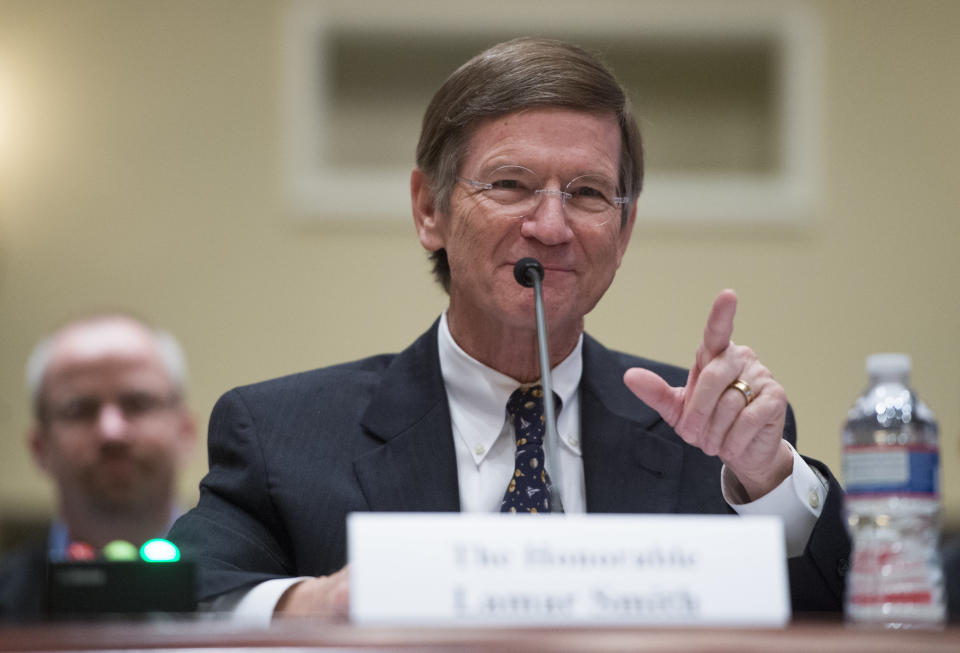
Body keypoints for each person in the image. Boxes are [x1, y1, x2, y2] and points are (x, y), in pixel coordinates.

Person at [168, 37, 850, 621]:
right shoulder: (282, 435)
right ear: (428, 209)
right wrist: (317, 605)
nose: (550, 228)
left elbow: (855, 617)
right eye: (510, 185)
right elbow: (173, 593)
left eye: (586, 193)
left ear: (625, 228)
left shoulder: (712, 439)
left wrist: (770, 480)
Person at [0, 314, 197, 619]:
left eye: (138, 403)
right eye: (79, 409)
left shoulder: (261, 596)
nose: (111, 431)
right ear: (39, 447)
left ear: (186, 432)